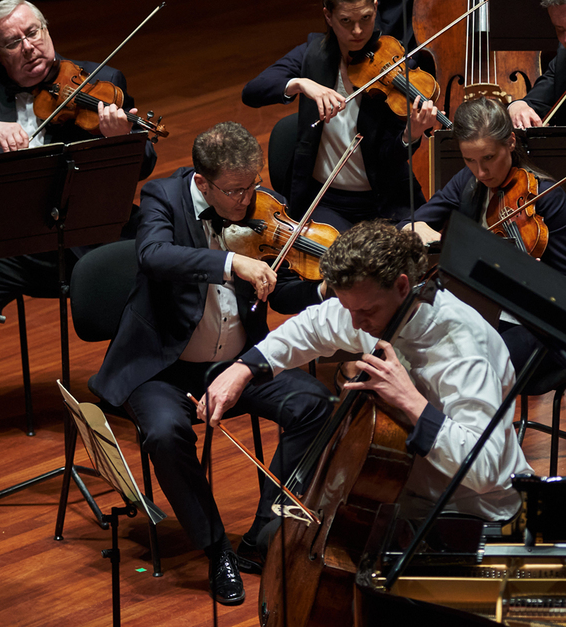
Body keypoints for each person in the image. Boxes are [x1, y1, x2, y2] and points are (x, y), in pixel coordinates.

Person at [89, 122, 333, 606]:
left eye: (253, 186)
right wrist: (229, 263)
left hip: (238, 361)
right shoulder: (163, 197)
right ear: (204, 183)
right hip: (164, 366)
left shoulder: (262, 208)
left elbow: (277, 287)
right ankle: (216, 547)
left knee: (315, 403)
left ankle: (263, 533)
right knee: (162, 433)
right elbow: (155, 255)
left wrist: (320, 290)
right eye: (236, 191)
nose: (248, 200)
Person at [206, 221, 533, 541]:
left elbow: (486, 469)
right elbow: (314, 324)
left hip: (476, 516)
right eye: (349, 308)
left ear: (403, 286)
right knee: (273, 538)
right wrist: (244, 368)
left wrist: (411, 401)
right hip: (402, 501)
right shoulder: (369, 309)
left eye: (366, 311)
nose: (356, 323)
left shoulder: (462, 348)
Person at [0, 0, 158, 461]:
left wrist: (121, 140)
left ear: (47, 29)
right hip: (9, 244)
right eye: (13, 42)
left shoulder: (101, 83)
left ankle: (135, 390)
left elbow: (144, 162)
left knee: (151, 265)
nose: (29, 47)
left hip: (85, 235)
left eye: (34, 33)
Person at [242, 0, 437, 231]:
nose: (357, 31)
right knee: (339, 263)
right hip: (328, 202)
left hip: (384, 201)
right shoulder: (313, 56)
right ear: (329, 16)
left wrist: (410, 135)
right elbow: (252, 91)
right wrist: (301, 84)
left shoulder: (395, 66)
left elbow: (388, 161)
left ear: (376, 8)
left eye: (365, 18)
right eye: (346, 21)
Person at [403, 96, 566, 382]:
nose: (481, 172)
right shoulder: (467, 182)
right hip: (480, 314)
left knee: (469, 368)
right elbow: (413, 221)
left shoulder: (548, 198)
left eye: (489, 158)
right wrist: (414, 226)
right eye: (470, 160)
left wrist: (534, 276)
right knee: (412, 348)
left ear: (511, 142)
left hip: (537, 326)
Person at [508, 0, 566, 129]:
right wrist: (517, 107)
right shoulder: (563, 57)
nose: (565, 39)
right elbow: (533, 102)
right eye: (560, 30)